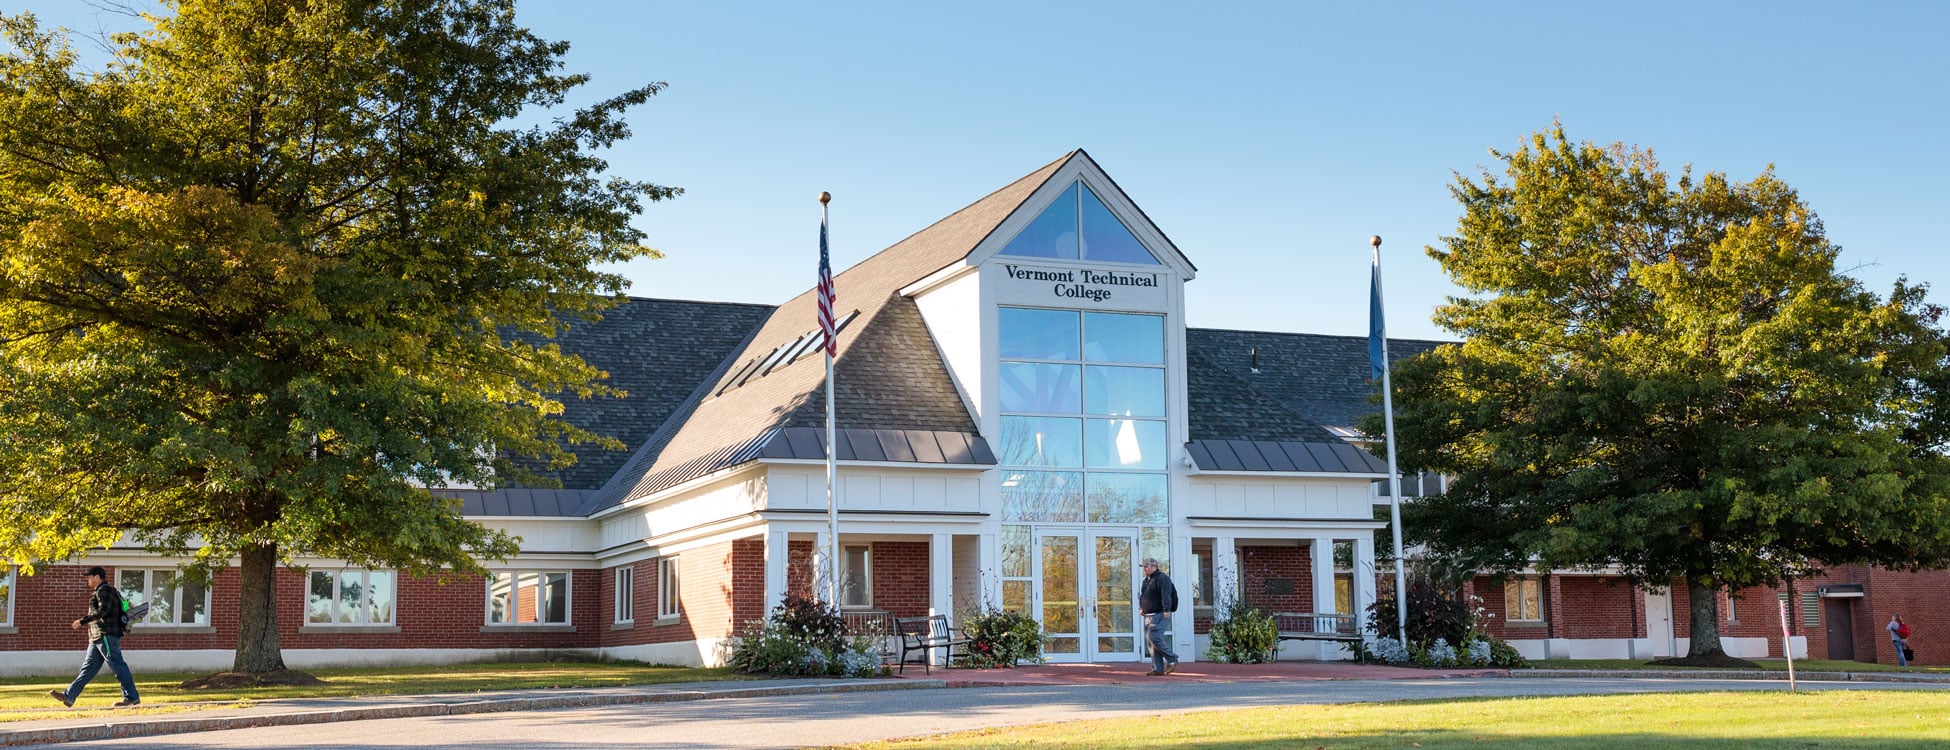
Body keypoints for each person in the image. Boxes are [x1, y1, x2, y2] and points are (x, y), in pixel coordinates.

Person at [49, 566, 141, 708]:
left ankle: (131, 697)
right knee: (87, 669)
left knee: (117, 665)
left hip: (106, 635)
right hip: (97, 637)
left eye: (89, 577)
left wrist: (81, 621)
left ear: (97, 577)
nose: (88, 579)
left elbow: (103, 611)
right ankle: (69, 696)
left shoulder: (104, 591)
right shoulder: (101, 591)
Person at [1138, 557, 1179, 676]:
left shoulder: (1162, 578)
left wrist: (1166, 609)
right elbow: (1143, 596)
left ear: (1154, 566)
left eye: (1146, 566)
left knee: (1154, 636)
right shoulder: (1146, 580)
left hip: (1160, 613)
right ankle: (1158, 668)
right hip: (1148, 614)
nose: (1144, 569)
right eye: (1143, 567)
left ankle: (1172, 658)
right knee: (1151, 641)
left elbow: (1166, 594)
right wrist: (1142, 608)